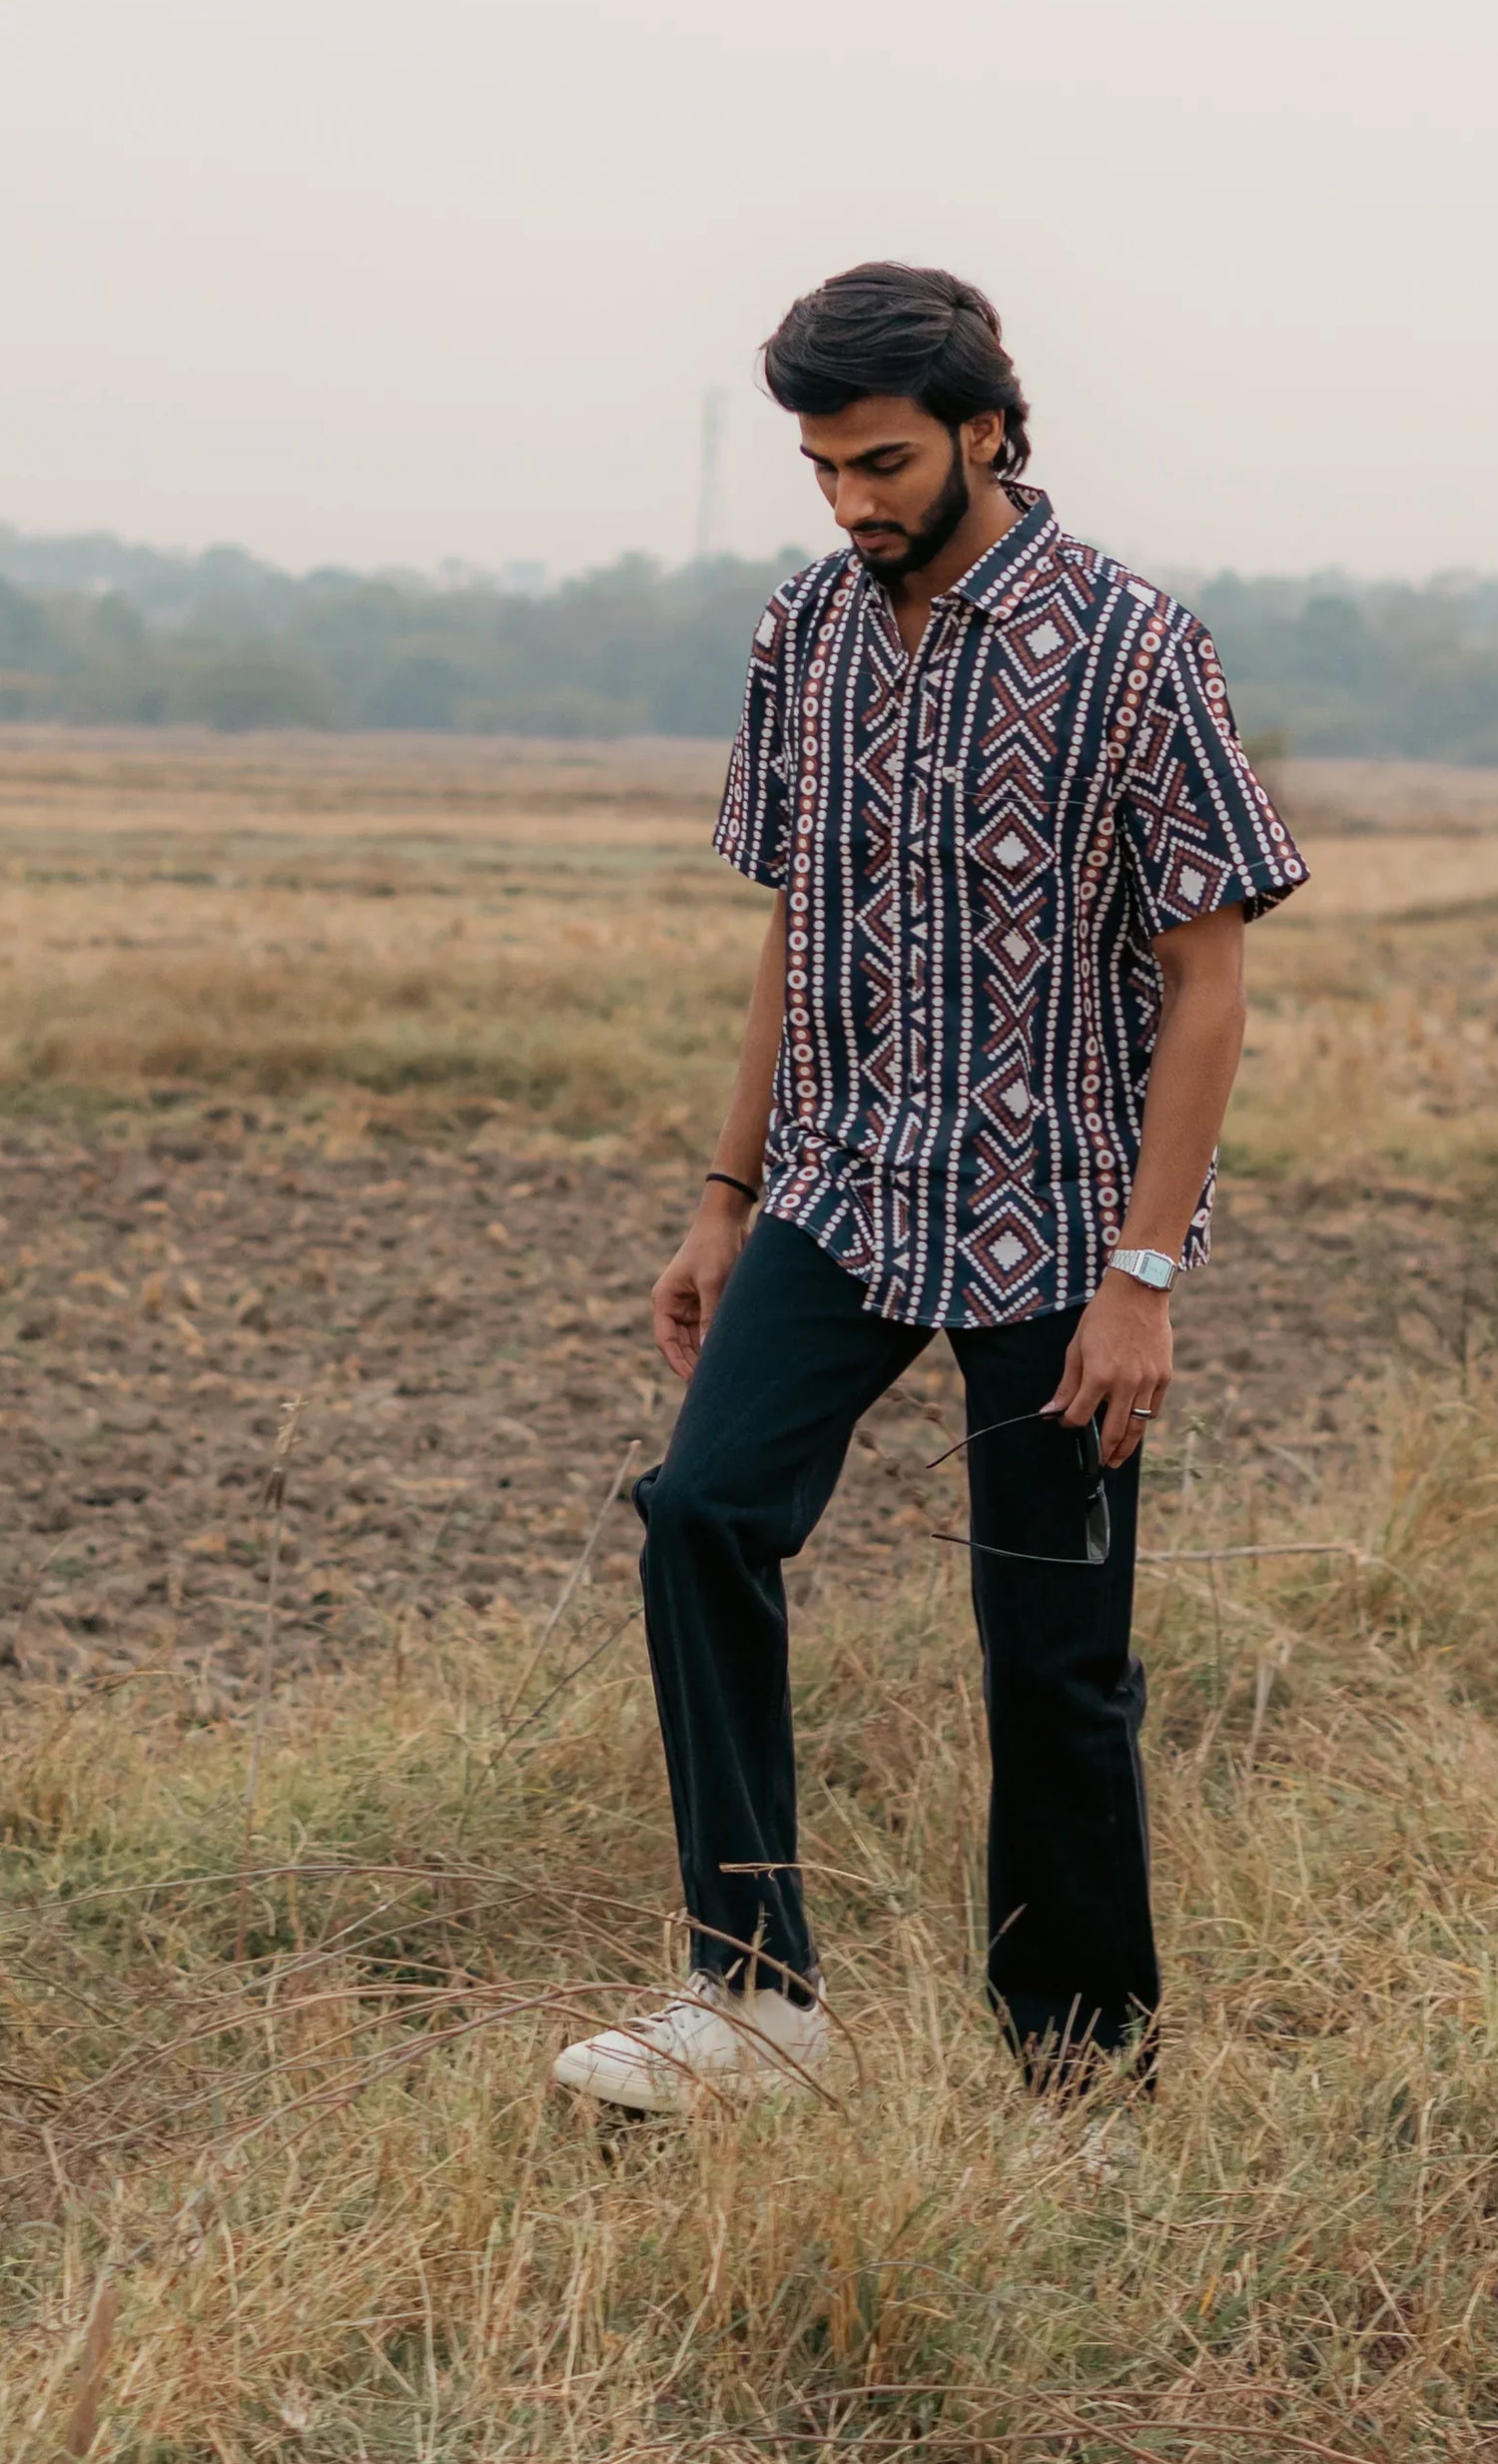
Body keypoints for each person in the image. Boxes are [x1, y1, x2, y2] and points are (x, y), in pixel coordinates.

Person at [552, 261, 1306, 2116]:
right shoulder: (803, 635)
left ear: (985, 429)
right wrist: (724, 1194)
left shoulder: (1139, 645)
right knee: (703, 1514)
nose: (851, 502)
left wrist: (1146, 1273)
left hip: (1058, 1219)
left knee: (1053, 1657)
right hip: (839, 1188)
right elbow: (795, 927)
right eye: (820, 470)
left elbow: (1208, 981)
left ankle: (1080, 2088)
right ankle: (753, 2002)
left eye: (881, 463)